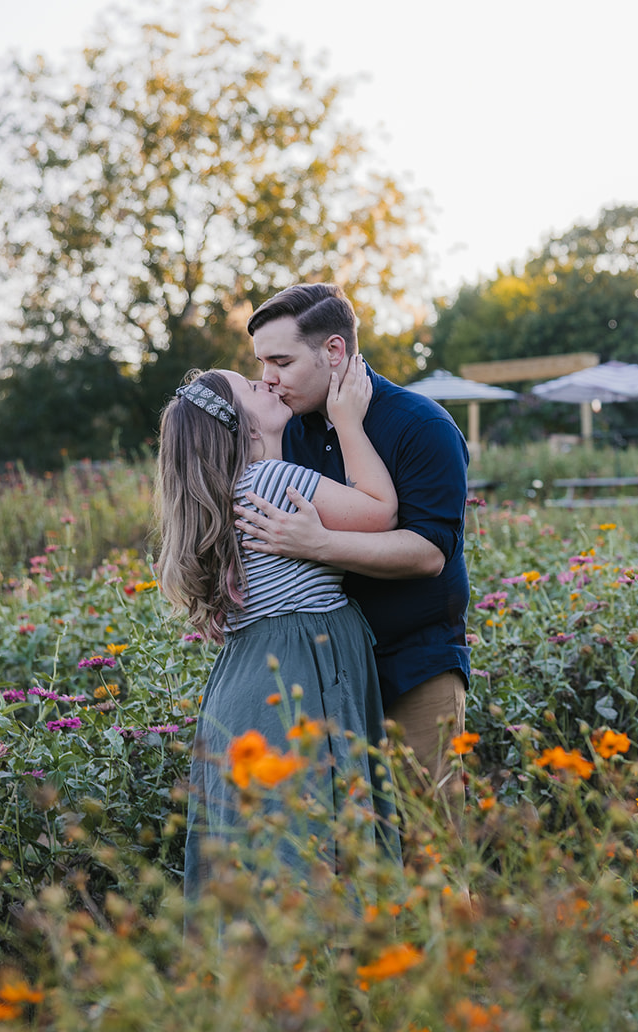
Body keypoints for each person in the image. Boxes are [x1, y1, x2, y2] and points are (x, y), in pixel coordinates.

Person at [156, 359, 401, 901]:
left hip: (245, 682)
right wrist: (349, 423)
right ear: (240, 426)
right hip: (293, 670)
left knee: (263, 842)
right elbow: (381, 513)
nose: (265, 379)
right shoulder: (272, 480)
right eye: (250, 385)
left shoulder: (229, 492)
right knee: (307, 834)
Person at [233, 284, 471, 794]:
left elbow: (429, 553)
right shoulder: (287, 429)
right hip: (322, 671)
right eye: (261, 364)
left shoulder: (420, 425)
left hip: (413, 664)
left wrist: (318, 545)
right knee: (352, 839)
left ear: (334, 350)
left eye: (280, 361)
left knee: (430, 835)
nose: (267, 380)